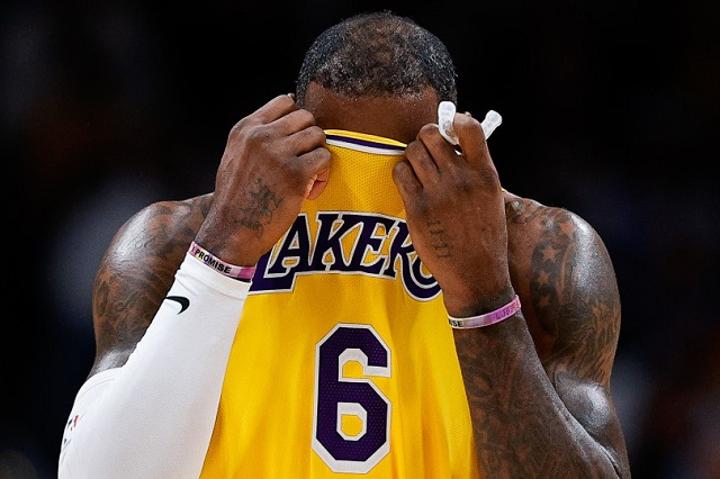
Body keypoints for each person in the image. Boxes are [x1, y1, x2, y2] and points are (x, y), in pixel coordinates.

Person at [59, 12, 630, 478]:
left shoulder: (536, 247)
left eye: (398, 168)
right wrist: (222, 249)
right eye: (342, 158)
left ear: (455, 139)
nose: (364, 190)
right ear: (286, 131)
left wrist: (484, 293)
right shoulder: (180, 239)